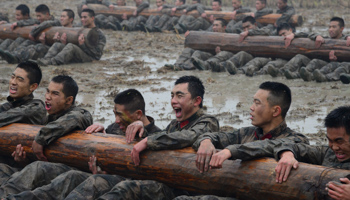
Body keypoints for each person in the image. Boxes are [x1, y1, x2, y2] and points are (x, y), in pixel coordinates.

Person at [5, 89, 161, 200]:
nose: (116, 121)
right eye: (114, 114)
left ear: (138, 114)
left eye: (119, 115)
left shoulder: (158, 136)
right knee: (70, 175)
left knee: (95, 183)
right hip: (99, 175)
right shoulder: (114, 128)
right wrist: (100, 137)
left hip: (126, 184)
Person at [0, 75, 93, 199]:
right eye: (47, 91)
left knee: (37, 168)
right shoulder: (49, 118)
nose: (48, 97)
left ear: (69, 100)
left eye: (55, 94)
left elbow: (75, 118)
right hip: (48, 167)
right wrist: (24, 160)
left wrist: (40, 138)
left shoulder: (81, 114)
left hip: (72, 171)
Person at [192, 81, 309, 173]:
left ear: (275, 111)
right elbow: (218, 136)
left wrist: (230, 150)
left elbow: (267, 145)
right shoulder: (247, 133)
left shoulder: (297, 139)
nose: (251, 108)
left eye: (257, 103)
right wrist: (206, 141)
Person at [237, 106, 350, 199]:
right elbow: (287, 145)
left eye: (339, 141)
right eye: (330, 140)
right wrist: (287, 153)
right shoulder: (327, 153)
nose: (334, 147)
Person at [37, 9, 106, 66]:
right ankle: (45, 60)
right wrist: (62, 42)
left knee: (71, 46)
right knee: (58, 44)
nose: (82, 19)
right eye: (81, 17)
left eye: (85, 17)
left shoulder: (99, 34)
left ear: (92, 18)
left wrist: (82, 45)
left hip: (90, 58)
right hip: (78, 54)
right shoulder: (80, 29)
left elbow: (97, 55)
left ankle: (52, 62)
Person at [298, 17, 350, 82]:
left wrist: (348, 36)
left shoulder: (346, 40)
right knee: (315, 61)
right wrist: (317, 36)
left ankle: (325, 78)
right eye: (329, 27)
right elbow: (308, 34)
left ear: (341, 29)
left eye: (334, 27)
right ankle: (309, 76)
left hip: (341, 66)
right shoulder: (327, 39)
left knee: (340, 66)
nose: (331, 29)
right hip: (327, 64)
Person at [0, 61, 46, 128]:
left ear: (32, 87)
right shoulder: (9, 105)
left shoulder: (36, 108)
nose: (13, 82)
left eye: (20, 80)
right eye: (13, 77)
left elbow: (21, 114)